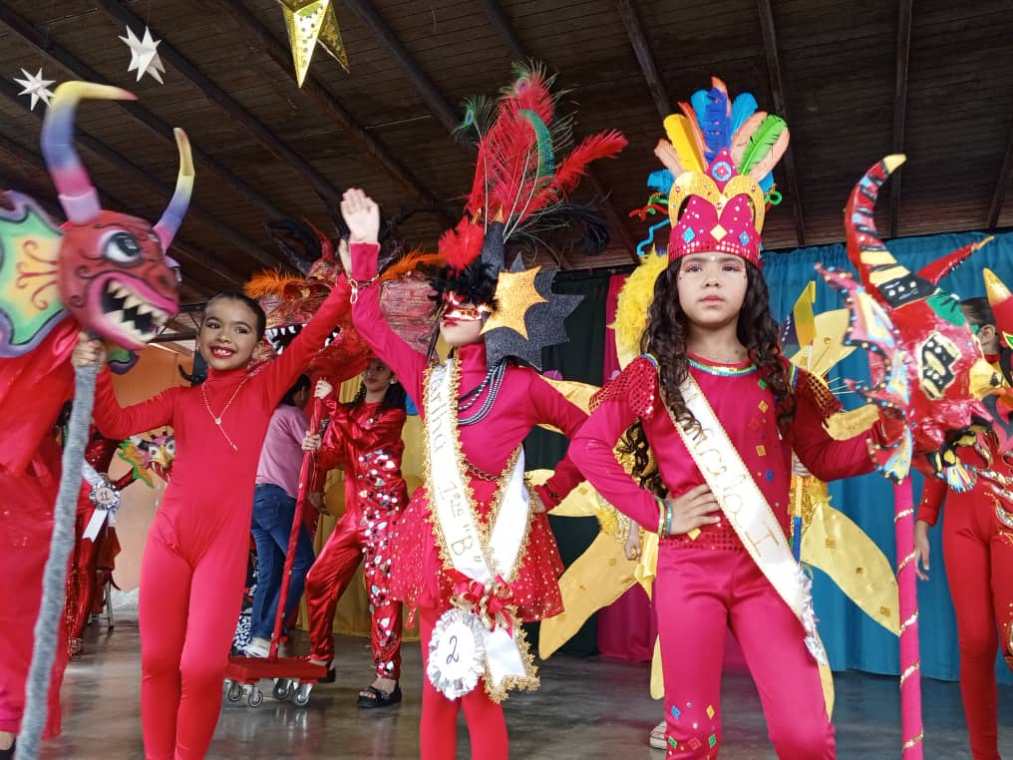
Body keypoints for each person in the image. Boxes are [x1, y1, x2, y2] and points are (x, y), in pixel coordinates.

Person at [569, 77, 902, 759]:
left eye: (728, 265)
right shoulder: (648, 377)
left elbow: (828, 458)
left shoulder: (785, 379)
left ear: (749, 279)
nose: (711, 278)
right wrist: (657, 513)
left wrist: (894, 432)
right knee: (691, 736)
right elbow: (587, 447)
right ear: (674, 283)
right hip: (687, 571)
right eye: (695, 267)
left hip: (765, 569)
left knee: (806, 733)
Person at [71, 282, 352, 760]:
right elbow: (115, 424)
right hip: (169, 542)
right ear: (200, 333)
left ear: (257, 343)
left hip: (219, 549)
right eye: (215, 324)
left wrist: (354, 268)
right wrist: (95, 372)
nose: (225, 336)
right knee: (158, 662)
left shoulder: (265, 387)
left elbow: (316, 331)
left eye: (241, 329)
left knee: (201, 667)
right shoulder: (179, 400)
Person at [915, 290, 1013, 760]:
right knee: (975, 641)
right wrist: (924, 520)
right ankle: (984, 755)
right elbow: (941, 457)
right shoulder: (952, 388)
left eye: (962, 335)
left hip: (1009, 520)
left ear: (990, 334)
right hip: (961, 524)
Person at [301, 357, 409, 708]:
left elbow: (365, 440)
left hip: (387, 516)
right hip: (354, 516)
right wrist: (315, 447)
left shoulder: (393, 416)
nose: (371, 373)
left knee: (383, 596)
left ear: (393, 376)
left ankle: (387, 678)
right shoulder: (350, 411)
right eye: (369, 368)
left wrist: (332, 404)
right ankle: (321, 657)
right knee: (318, 580)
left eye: (380, 368)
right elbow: (334, 454)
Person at [243, 375, 316, 658]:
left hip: (257, 499)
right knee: (302, 563)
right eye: (306, 394)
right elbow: (312, 446)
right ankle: (267, 632)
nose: (306, 399)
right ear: (299, 392)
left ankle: (255, 640)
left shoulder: (266, 417)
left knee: (270, 573)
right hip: (277, 499)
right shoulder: (291, 414)